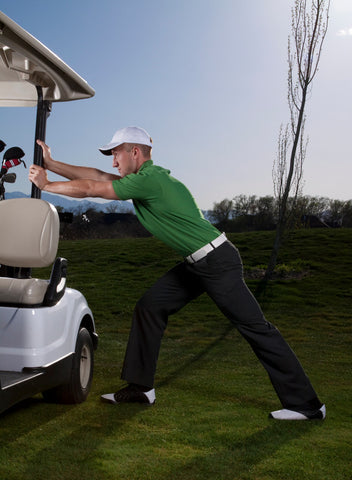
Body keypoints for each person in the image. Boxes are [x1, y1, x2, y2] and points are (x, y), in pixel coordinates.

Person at [29, 126, 325, 420]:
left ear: (135, 152)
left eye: (116, 154)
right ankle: (141, 387)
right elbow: (97, 176)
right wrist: (52, 164)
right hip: (197, 263)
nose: (113, 162)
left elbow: (95, 188)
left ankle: (307, 405)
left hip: (217, 262)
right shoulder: (143, 178)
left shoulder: (150, 181)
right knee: (150, 307)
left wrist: (48, 185)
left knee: (257, 328)